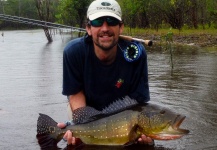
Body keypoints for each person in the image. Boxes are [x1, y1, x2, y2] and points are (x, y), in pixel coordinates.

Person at [57, 0, 154, 146]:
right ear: (88, 28)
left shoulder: (136, 54)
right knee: (79, 142)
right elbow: (75, 94)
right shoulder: (73, 52)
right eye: (97, 22)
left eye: (111, 21)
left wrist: (147, 133)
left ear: (120, 27)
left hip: (123, 115)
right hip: (85, 111)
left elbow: (139, 105)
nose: (105, 28)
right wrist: (82, 128)